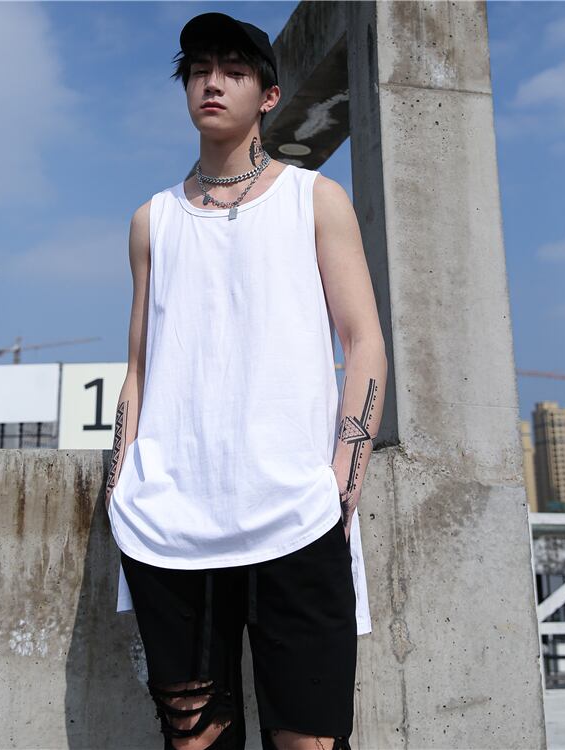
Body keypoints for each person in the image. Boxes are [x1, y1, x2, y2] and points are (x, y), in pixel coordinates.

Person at [106, 11, 387, 750]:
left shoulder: (314, 199)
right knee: (194, 739)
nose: (213, 83)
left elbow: (363, 343)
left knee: (309, 741)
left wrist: (341, 486)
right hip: (170, 525)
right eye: (200, 70)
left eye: (234, 71)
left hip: (296, 514)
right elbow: (138, 367)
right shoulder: (152, 221)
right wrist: (118, 485)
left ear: (269, 95)